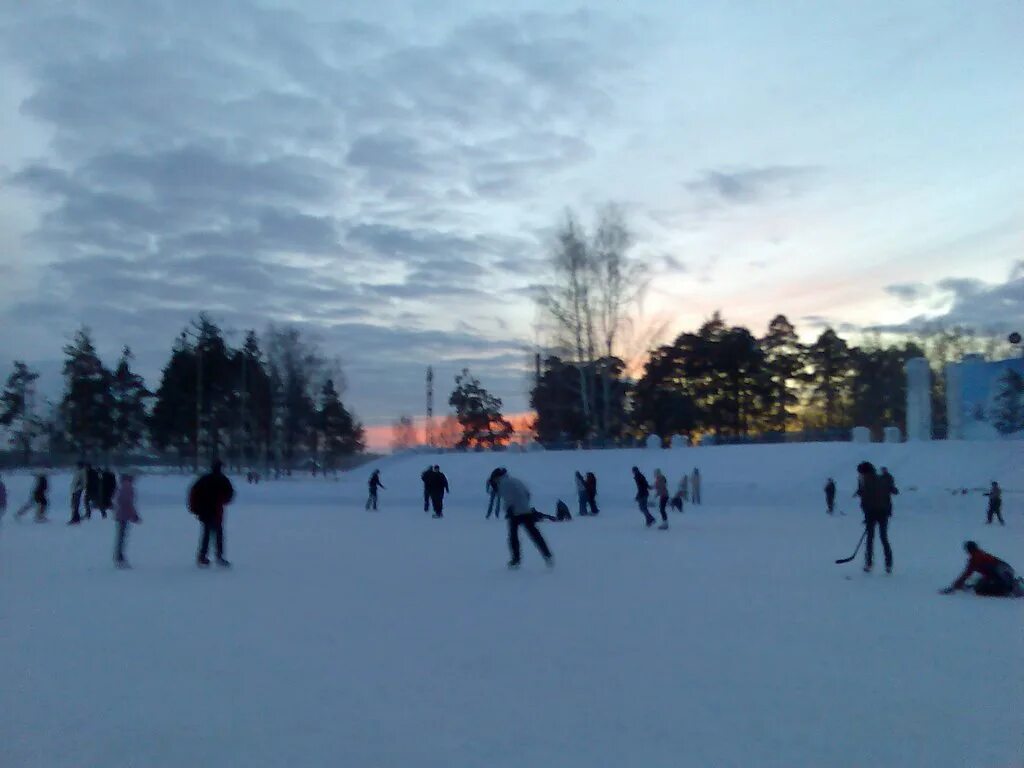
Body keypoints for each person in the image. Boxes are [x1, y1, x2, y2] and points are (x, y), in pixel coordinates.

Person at [498, 473, 553, 569]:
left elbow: (508, 499)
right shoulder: (516, 480)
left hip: (515, 512)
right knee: (535, 534)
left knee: (513, 536)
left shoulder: (503, 483)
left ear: (497, 477)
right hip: (525, 510)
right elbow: (527, 493)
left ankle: (516, 560)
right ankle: (547, 555)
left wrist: (509, 508)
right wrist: (524, 505)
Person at [188, 459, 235, 567]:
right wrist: (223, 500)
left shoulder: (204, 479)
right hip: (216, 511)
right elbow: (230, 494)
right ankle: (218, 556)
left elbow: (193, 493)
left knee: (207, 534)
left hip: (205, 511)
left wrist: (194, 508)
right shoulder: (223, 479)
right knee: (217, 534)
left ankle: (203, 556)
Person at [941, 541, 1022, 597]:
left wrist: (956, 585)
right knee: (980, 584)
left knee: (980, 590)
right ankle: (1009, 586)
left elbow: (967, 573)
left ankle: (1008, 589)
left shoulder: (976, 558)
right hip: (1005, 570)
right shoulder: (981, 553)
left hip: (1001, 574)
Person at [855, 461, 893, 573]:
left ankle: (869, 563)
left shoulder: (867, 481)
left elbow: (866, 499)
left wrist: (867, 514)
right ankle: (888, 564)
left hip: (873, 512)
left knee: (871, 538)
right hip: (882, 512)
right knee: (883, 537)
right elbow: (887, 496)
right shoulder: (880, 479)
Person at [113, 473, 141, 569]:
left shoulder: (122, 486)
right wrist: (134, 516)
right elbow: (128, 503)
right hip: (123, 516)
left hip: (121, 514)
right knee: (121, 537)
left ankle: (119, 556)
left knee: (121, 537)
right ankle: (119, 557)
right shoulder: (128, 487)